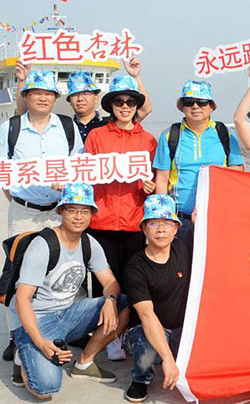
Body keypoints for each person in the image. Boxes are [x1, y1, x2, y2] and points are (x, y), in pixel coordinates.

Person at [9, 183, 129, 399]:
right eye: (72, 210)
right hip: (35, 321)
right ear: (61, 211)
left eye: (85, 211)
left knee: (124, 304)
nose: (79, 217)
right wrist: (40, 342)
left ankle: (84, 363)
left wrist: (110, 300)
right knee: (45, 389)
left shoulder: (89, 243)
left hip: (66, 315)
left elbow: (110, 281)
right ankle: (23, 353)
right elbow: (22, 299)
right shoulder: (43, 245)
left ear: (91, 214)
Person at [0, 70, 84, 361]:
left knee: (60, 274)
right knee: (18, 275)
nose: (43, 98)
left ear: (55, 97)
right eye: (37, 92)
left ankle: (56, 331)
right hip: (24, 213)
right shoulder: (10, 128)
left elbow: (79, 165)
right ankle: (17, 335)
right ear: (26, 95)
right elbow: (3, 168)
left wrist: (68, 183)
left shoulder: (67, 127)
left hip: (59, 213)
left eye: (48, 93)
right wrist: (18, 197)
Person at [85, 75, 157, 360]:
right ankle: (105, 336)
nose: (125, 106)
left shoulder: (148, 139)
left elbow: (156, 178)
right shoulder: (96, 136)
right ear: (111, 105)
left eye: (130, 101)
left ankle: (128, 334)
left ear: (137, 105)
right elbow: (85, 173)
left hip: (133, 223)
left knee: (132, 283)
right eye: (119, 101)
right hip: (100, 222)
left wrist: (150, 186)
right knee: (103, 283)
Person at [154, 80, 244, 255]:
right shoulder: (169, 136)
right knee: (181, 267)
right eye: (189, 102)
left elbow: (238, 171)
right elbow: (162, 178)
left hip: (217, 217)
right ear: (182, 107)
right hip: (181, 220)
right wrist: (163, 218)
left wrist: (214, 173)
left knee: (217, 263)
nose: (195, 107)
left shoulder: (224, 134)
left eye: (202, 102)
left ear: (211, 106)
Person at [123, 194, 189, 403]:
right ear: (143, 228)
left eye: (167, 223)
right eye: (153, 223)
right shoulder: (135, 267)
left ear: (176, 228)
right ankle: (140, 378)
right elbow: (146, 315)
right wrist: (168, 358)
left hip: (181, 328)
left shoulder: (183, 248)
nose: (161, 229)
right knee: (148, 348)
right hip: (146, 327)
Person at [14, 57, 153, 141]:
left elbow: (145, 110)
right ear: (69, 100)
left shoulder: (110, 123)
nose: (80, 98)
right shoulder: (63, 126)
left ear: (96, 97)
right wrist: (22, 80)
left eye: (86, 93)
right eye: (75, 94)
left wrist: (136, 76)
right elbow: (25, 112)